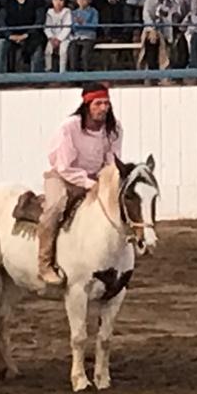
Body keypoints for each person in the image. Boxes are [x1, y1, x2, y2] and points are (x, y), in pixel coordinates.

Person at [37, 85, 124, 286]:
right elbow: (64, 166)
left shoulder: (115, 129)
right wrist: (89, 183)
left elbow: (113, 161)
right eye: (98, 103)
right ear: (87, 105)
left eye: (106, 103)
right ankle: (45, 263)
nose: (103, 108)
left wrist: (105, 182)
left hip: (96, 178)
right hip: (63, 177)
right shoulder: (69, 127)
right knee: (56, 207)